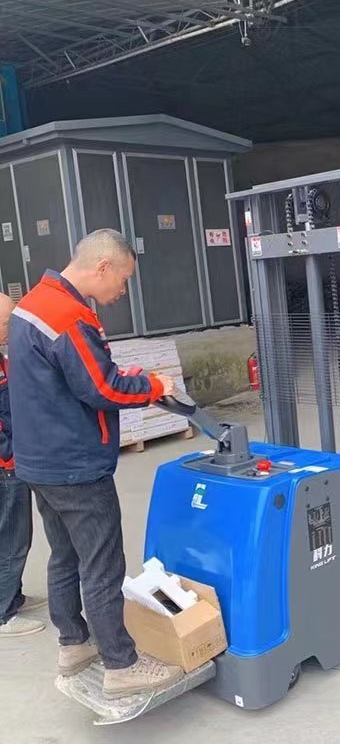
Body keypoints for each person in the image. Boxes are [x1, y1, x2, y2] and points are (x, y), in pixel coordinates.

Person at [8, 229, 184, 699]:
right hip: (76, 466)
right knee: (103, 564)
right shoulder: (68, 316)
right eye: (123, 280)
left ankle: (73, 643)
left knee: (65, 555)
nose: (121, 292)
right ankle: (121, 665)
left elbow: (69, 378)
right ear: (103, 267)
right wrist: (154, 386)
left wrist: (125, 376)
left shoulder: (33, 303)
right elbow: (102, 389)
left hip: (39, 462)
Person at [0, 293, 47, 638]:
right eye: (7, 322)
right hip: (6, 465)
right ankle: (3, 613)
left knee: (15, 535)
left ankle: (11, 595)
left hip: (13, 460)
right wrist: (10, 454)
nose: (12, 327)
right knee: (12, 538)